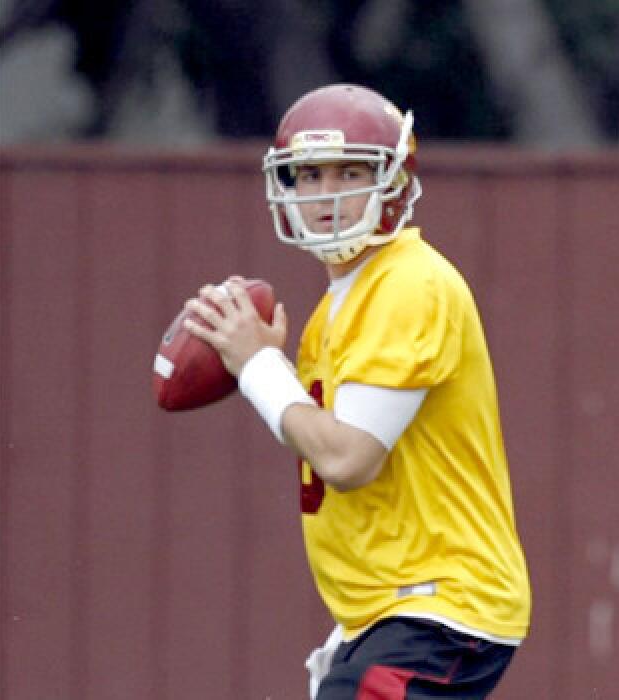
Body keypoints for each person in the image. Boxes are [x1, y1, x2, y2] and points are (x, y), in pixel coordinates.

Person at [184, 84, 531, 699]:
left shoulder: (406, 284)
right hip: (397, 613)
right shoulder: (346, 300)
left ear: (396, 179)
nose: (329, 195)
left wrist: (258, 367)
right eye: (310, 175)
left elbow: (348, 458)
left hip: (438, 607)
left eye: (351, 171)